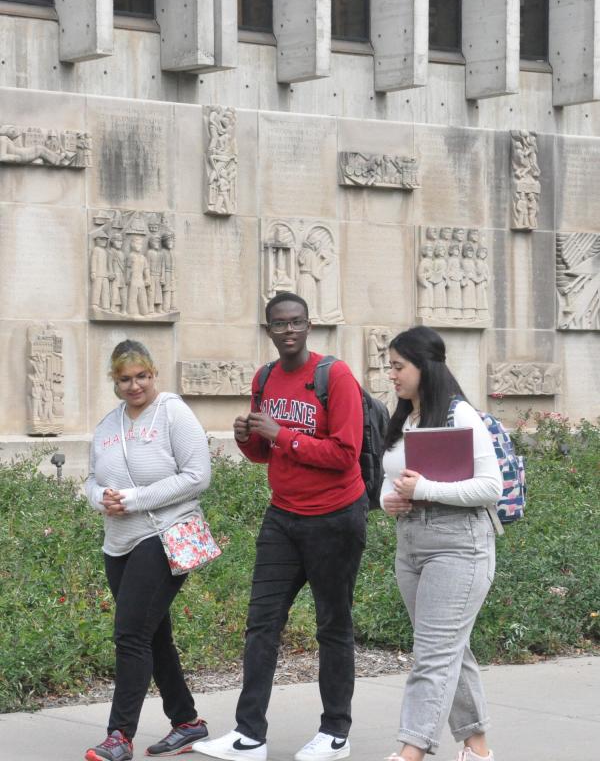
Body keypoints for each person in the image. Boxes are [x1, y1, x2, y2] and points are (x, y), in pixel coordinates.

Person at [194, 292, 367, 761]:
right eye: (279, 324)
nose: (288, 330)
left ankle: (335, 732)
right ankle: (249, 734)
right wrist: (248, 439)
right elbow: (264, 455)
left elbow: (345, 454)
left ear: (310, 326)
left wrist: (282, 435)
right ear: (268, 330)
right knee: (261, 624)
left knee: (333, 626)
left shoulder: (336, 377)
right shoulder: (265, 378)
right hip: (283, 516)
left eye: (296, 323)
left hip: (335, 517)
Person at [84, 340, 212, 761]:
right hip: (118, 542)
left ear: (153, 374)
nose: (134, 385)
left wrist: (134, 498)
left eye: (141, 376)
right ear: (115, 382)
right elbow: (89, 480)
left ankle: (119, 737)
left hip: (165, 535)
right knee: (153, 635)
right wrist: (101, 496)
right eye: (125, 379)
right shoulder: (107, 425)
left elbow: (197, 476)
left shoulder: (174, 413)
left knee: (130, 636)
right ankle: (187, 723)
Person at [380, 326, 502, 761]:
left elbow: (491, 487)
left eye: (398, 366)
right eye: (389, 366)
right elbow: (387, 481)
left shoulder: (459, 415)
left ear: (424, 367)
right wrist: (390, 499)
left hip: (459, 545)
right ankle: (478, 750)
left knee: (432, 655)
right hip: (410, 542)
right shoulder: (404, 418)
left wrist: (425, 489)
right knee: (450, 649)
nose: (390, 375)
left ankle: (411, 750)